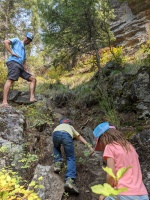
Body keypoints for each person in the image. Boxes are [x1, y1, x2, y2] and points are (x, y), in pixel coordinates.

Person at [93, 122, 149, 200]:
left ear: (102, 139)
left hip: (124, 194)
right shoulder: (130, 147)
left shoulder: (110, 147)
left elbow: (111, 174)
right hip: (142, 194)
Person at [52, 118, 94, 195]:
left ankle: (57, 164)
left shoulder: (58, 126)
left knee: (56, 147)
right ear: (69, 123)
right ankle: (70, 180)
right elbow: (80, 137)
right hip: (66, 135)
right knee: (70, 157)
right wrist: (90, 147)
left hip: (55, 133)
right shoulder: (70, 127)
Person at [0, 32, 37, 107]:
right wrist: (11, 52)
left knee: (33, 79)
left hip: (20, 67)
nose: (28, 41)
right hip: (13, 63)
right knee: (10, 79)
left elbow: (24, 62)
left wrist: (27, 71)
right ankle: (4, 102)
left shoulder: (24, 50)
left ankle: (32, 97)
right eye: (28, 38)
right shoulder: (17, 40)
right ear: (24, 37)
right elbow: (6, 42)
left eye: (30, 40)